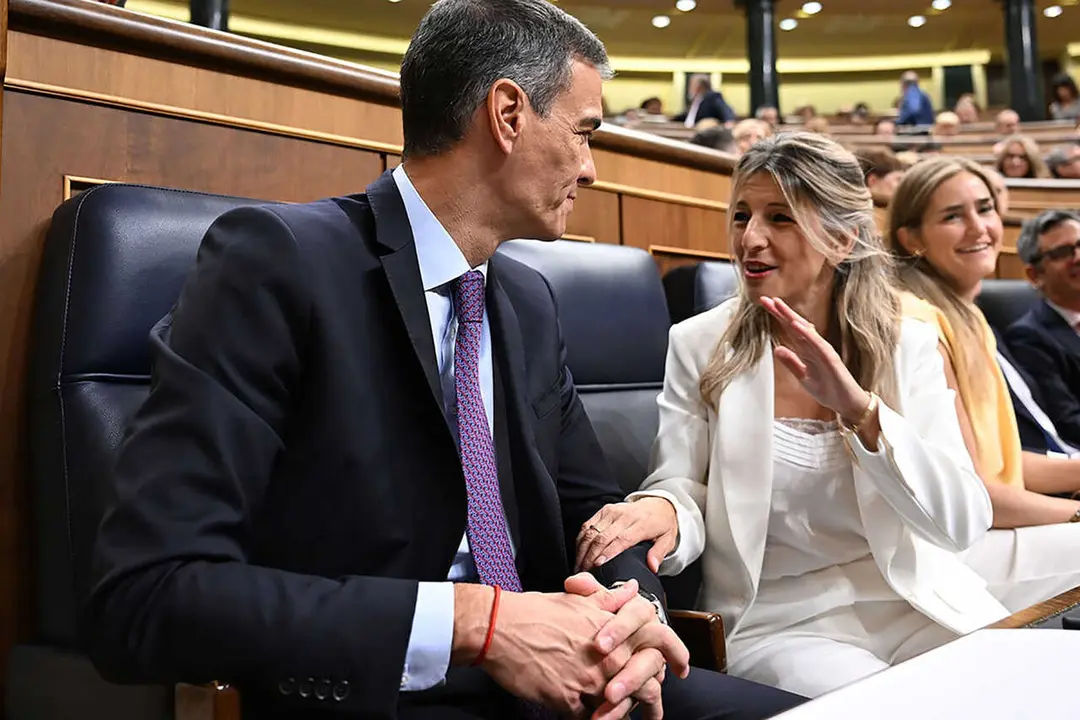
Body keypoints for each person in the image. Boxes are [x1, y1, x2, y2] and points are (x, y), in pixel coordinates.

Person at [83, 1, 806, 718]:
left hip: (570, 672)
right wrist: (477, 626)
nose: (590, 169)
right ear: (508, 115)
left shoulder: (528, 302)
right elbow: (147, 596)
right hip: (383, 691)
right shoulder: (277, 264)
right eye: (584, 133)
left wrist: (632, 618)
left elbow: (595, 515)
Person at [573, 132, 1022, 699]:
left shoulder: (907, 345)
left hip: (915, 602)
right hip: (781, 621)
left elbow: (962, 521)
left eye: (780, 218)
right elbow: (684, 487)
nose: (750, 238)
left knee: (1019, 691)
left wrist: (861, 411)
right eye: (742, 215)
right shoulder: (698, 343)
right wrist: (662, 509)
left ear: (842, 237)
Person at [889, 157, 1080, 515]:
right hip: (967, 529)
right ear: (911, 239)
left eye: (985, 209)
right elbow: (973, 493)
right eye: (953, 216)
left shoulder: (968, 316)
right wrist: (1075, 515)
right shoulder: (918, 324)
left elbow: (1004, 465)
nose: (979, 228)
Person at [1006, 210, 1080, 452]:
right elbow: (1068, 423)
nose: (1078, 257)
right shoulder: (1029, 337)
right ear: (1034, 275)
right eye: (1062, 253)